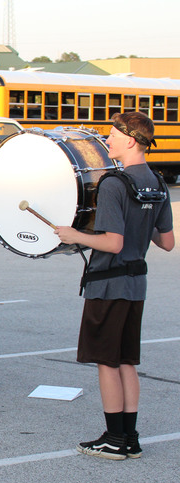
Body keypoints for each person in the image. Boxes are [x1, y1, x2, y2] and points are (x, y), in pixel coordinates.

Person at [55, 112, 174, 460]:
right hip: (136, 284)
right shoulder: (157, 182)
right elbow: (166, 242)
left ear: (131, 140)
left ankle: (113, 438)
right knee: (125, 361)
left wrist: (73, 234)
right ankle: (130, 437)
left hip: (109, 285)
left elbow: (113, 243)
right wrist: (142, 219)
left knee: (107, 362)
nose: (106, 141)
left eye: (111, 135)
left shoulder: (113, 183)